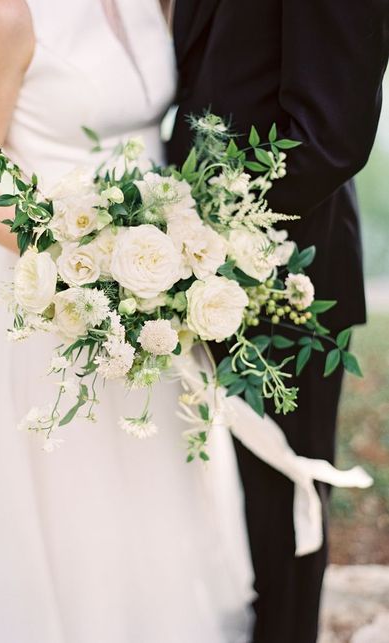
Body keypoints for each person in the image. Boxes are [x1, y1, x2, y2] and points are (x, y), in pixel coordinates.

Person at [0, 1, 256, 641]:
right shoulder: (6, 13)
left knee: (150, 464)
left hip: (154, 287)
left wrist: (171, 249)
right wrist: (84, 260)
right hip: (53, 295)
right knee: (70, 478)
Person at [167, 2, 389, 642]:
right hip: (182, 262)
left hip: (287, 275)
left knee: (279, 511)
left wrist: (214, 234)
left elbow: (332, 136)